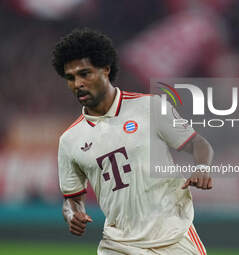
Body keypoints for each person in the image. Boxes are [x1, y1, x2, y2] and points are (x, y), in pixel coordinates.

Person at [52, 28, 214, 255]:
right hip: (118, 245)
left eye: (85, 74)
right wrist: (72, 214)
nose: (77, 83)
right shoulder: (70, 140)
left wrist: (203, 168)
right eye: (70, 78)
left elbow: (198, 144)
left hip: (173, 238)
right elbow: (72, 198)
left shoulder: (152, 107)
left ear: (106, 69)